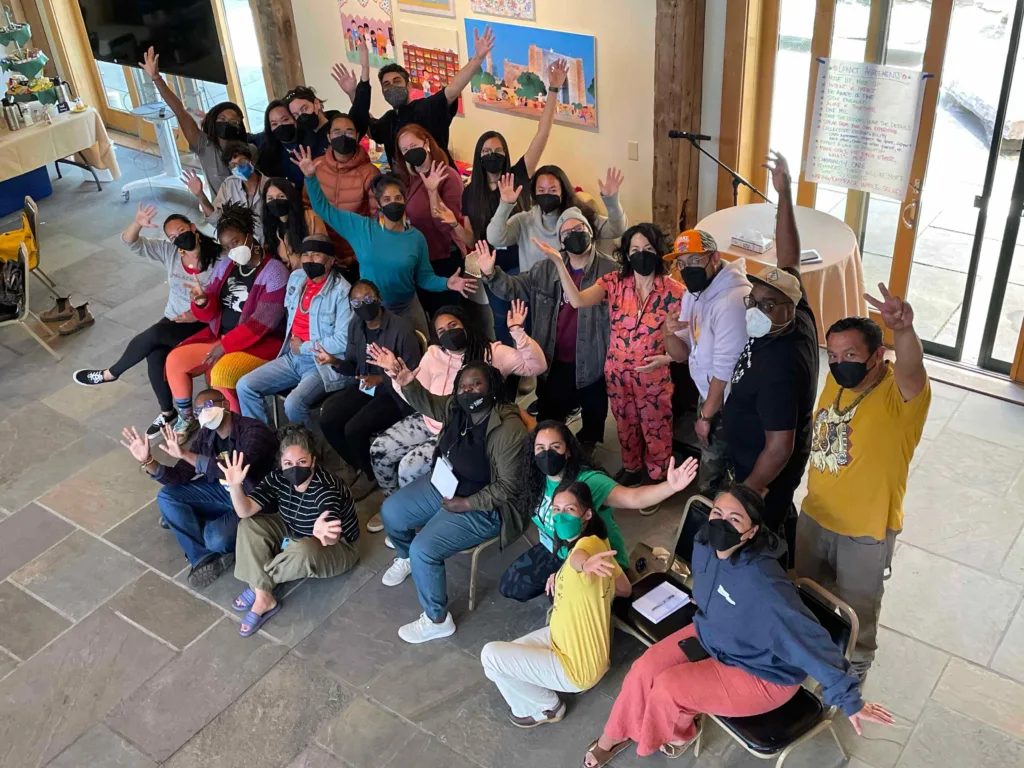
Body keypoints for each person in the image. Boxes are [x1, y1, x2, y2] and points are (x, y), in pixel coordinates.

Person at [582, 485, 894, 767]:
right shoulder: (705, 543)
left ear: (750, 532)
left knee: (667, 689)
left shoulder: (765, 588)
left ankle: (679, 731)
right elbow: (711, 586)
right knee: (644, 668)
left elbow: (810, 641)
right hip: (716, 635)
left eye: (734, 519)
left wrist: (849, 699)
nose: (720, 523)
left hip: (764, 673)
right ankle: (613, 737)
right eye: (717, 513)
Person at [797, 293, 930, 680]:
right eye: (834, 356)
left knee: (858, 610)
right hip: (816, 513)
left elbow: (912, 366)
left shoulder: (900, 396)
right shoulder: (834, 383)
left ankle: (853, 672)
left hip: (864, 530)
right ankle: (813, 654)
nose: (839, 364)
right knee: (808, 592)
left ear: (878, 356)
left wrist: (903, 328)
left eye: (850, 355)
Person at [377, 360, 529, 643]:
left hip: (483, 505)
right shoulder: (456, 408)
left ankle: (437, 620)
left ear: (492, 387)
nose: (469, 391)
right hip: (444, 483)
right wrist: (407, 380)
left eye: (476, 384)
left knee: (425, 549)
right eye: (463, 385)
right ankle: (406, 556)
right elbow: (430, 403)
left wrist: (466, 504)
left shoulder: (507, 430)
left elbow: (510, 487)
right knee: (391, 512)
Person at [367, 302, 546, 532]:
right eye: (441, 332)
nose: (448, 334)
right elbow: (415, 394)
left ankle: (415, 521)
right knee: (379, 450)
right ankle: (397, 508)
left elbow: (536, 366)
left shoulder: (492, 353)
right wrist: (395, 374)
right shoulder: (433, 354)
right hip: (428, 416)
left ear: (465, 324)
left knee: (408, 467)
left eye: (453, 325)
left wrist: (518, 332)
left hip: (457, 428)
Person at [719, 152, 817, 561]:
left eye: (769, 305)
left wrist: (751, 491)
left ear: (788, 308)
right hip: (760, 460)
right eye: (753, 302)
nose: (758, 312)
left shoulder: (780, 366)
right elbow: (789, 258)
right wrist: (785, 193)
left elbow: (779, 445)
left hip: (766, 472)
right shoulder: (797, 310)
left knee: (763, 539)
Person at [543, 223, 685, 491]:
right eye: (635, 249)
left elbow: (692, 344)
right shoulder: (614, 282)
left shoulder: (676, 292)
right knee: (625, 423)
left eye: (648, 248)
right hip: (617, 374)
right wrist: (559, 264)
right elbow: (577, 300)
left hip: (653, 376)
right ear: (626, 254)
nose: (641, 254)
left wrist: (665, 359)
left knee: (657, 430)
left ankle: (658, 480)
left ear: (659, 252)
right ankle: (631, 468)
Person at [481, 482, 632, 727]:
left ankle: (547, 707)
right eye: (556, 509)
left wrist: (582, 568)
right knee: (494, 669)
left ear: (587, 514)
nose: (561, 516)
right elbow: (625, 588)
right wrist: (566, 577)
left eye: (570, 509)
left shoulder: (587, 550)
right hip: (561, 637)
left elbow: (580, 559)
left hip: (577, 667)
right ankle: (538, 698)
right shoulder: (599, 543)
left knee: (490, 656)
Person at [501, 422, 699, 602]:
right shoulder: (535, 481)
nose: (547, 454)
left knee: (563, 601)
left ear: (567, 451)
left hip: (594, 558)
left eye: (555, 447)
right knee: (511, 585)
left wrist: (670, 487)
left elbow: (634, 498)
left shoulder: (588, 482)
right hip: (558, 549)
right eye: (540, 449)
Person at [296, 147, 477, 338]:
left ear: (405, 201)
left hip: (407, 310)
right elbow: (324, 209)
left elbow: (424, 278)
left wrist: (447, 283)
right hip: (371, 311)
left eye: (398, 198)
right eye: (387, 199)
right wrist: (310, 178)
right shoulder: (361, 228)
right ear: (379, 204)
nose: (393, 202)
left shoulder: (416, 238)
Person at [477, 212, 615, 457]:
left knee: (594, 412)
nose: (575, 236)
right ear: (560, 241)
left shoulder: (609, 269)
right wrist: (491, 274)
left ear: (590, 231)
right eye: (567, 233)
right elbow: (514, 287)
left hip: (594, 360)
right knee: (550, 414)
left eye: (579, 228)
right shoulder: (546, 268)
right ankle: (551, 456)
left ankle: (586, 452)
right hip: (553, 358)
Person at [72, 205, 217, 438]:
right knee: (155, 353)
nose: (179, 238)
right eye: (172, 237)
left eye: (182, 231)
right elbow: (131, 242)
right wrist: (137, 223)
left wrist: (199, 310)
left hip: (202, 321)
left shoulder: (217, 258)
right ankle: (168, 412)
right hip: (173, 318)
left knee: (154, 335)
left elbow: (227, 300)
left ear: (192, 227)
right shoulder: (172, 253)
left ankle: (111, 373)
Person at [456, 59, 568, 345]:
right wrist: (448, 223)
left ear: (506, 153)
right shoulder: (471, 192)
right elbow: (471, 237)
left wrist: (554, 88)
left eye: (498, 150)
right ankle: (510, 380)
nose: (493, 155)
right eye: (486, 151)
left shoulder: (518, 177)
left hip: (523, 268)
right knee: (502, 328)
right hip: (491, 270)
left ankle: (532, 376)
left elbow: (541, 135)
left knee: (530, 327)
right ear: (479, 156)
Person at [119, 388, 279, 588]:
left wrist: (186, 454)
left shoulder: (253, 431)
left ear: (226, 404)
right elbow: (180, 476)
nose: (204, 412)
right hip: (222, 492)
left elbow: (234, 470)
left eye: (209, 406)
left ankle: (190, 524)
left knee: (215, 538)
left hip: (252, 498)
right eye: (198, 411)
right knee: (168, 497)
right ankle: (202, 558)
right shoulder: (206, 435)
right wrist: (149, 461)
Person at [219, 425, 360, 636]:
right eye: (288, 463)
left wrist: (324, 532)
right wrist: (235, 487)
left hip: (339, 546)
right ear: (281, 463)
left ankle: (260, 590)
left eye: (302, 462)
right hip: (292, 526)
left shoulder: (327, 488)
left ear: (313, 460)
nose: (294, 468)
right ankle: (262, 591)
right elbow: (245, 510)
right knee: (249, 525)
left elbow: (331, 535)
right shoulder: (278, 477)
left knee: (304, 550)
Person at [164, 204, 289, 440]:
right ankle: (188, 418)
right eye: (226, 246)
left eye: (235, 242)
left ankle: (244, 435)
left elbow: (263, 323)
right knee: (175, 360)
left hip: (261, 344)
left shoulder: (274, 272)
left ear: (250, 237)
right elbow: (208, 312)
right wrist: (201, 302)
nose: (232, 250)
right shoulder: (227, 265)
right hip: (221, 338)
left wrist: (225, 346)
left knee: (222, 373)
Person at [314, 280, 423, 500]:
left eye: (368, 299)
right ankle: (361, 465)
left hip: (395, 394)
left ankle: (371, 477)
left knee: (354, 428)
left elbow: (414, 374)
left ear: (379, 298)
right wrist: (335, 361)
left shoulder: (401, 329)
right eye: (356, 301)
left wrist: (381, 378)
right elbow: (354, 366)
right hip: (366, 388)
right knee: (328, 417)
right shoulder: (356, 325)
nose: (363, 305)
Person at [663, 229, 751, 492]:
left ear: (715, 258)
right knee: (712, 460)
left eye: (694, 260)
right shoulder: (695, 293)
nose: (686, 269)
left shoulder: (732, 301)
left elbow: (724, 371)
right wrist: (667, 331)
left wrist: (705, 416)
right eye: (680, 263)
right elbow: (680, 353)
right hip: (709, 392)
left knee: (715, 470)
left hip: (727, 400)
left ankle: (718, 516)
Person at [334, 27, 496, 166]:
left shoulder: (427, 108)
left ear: (409, 85)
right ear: (383, 91)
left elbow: (454, 88)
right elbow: (367, 126)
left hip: (440, 184)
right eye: (387, 84)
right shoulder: (389, 120)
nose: (392, 87)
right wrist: (352, 93)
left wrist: (478, 58)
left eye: (397, 81)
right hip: (408, 191)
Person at [236, 235, 352, 428]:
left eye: (317, 255)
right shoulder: (296, 279)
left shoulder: (342, 292)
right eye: (305, 255)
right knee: (245, 386)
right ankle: (262, 441)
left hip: (322, 365)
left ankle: (309, 451)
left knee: (293, 404)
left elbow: (343, 340)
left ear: (331, 261)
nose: (309, 260)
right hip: (291, 357)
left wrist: (305, 347)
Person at [139, 46, 254, 194]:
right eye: (222, 119)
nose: (226, 124)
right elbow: (179, 110)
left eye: (233, 121)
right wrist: (156, 78)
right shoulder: (204, 146)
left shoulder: (251, 150)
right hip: (221, 213)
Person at [486, 165, 628, 273]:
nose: (546, 194)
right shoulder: (524, 221)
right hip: (537, 297)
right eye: (541, 190)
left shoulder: (577, 220)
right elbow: (495, 238)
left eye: (553, 190)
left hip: (574, 296)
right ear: (534, 194)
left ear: (563, 192)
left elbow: (616, 229)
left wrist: (612, 202)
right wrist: (505, 205)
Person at [300, 112, 381, 272]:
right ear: (329, 137)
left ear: (357, 136)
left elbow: (376, 221)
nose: (343, 137)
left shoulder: (370, 173)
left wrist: (356, 257)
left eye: (349, 132)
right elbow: (306, 207)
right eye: (337, 132)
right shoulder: (316, 167)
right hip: (322, 256)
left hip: (357, 257)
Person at [183, 141, 266, 235]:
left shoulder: (270, 185)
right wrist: (200, 194)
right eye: (233, 165)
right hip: (240, 243)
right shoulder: (229, 185)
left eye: (242, 162)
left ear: (251, 160)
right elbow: (216, 220)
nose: (238, 167)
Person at [261, 177, 328, 272]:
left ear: (290, 197)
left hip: (312, 275)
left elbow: (323, 251)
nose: (275, 202)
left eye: (281, 196)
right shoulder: (271, 225)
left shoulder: (310, 217)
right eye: (270, 198)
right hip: (287, 279)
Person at [251, 100, 306, 189]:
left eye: (285, 120)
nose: (280, 126)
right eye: (274, 124)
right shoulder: (268, 149)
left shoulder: (310, 142)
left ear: (295, 119)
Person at [284, 85, 339, 158]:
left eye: (305, 109)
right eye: (296, 115)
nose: (301, 116)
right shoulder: (302, 139)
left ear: (316, 104)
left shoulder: (339, 126)